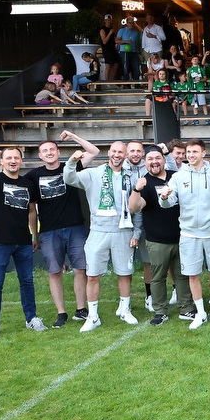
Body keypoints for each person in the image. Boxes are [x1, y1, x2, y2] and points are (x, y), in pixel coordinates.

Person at [23, 132, 98, 328]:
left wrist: (73, 136)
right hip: (49, 231)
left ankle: (81, 310)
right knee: (54, 272)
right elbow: (31, 209)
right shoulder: (33, 176)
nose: (49, 153)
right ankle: (61, 312)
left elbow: (94, 151)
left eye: (52, 149)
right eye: (45, 151)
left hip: (75, 228)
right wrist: (34, 234)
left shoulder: (70, 167)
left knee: (80, 269)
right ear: (40, 155)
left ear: (58, 152)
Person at [64, 141, 141, 332]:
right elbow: (69, 178)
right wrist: (72, 161)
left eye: (120, 152)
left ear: (125, 155)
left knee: (125, 273)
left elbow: (138, 208)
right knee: (92, 276)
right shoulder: (94, 173)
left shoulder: (131, 176)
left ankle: (125, 309)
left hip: (123, 231)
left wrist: (136, 232)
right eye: (114, 151)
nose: (116, 155)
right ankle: (93, 316)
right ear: (109, 153)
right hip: (98, 232)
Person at [0, 147, 48, 342]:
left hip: (23, 241)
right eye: (8, 158)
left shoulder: (27, 184)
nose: (13, 161)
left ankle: (31, 318)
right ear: (3, 161)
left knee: (27, 281)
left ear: (21, 161)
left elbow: (32, 211)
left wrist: (34, 235)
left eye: (16, 157)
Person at [158, 138, 210, 330]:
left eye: (195, 152)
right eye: (188, 152)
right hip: (188, 234)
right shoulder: (179, 176)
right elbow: (169, 201)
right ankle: (201, 313)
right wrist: (164, 197)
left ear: (203, 153)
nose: (190, 155)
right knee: (192, 275)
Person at [128, 146, 193, 325]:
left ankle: (186, 308)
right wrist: (136, 189)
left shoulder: (176, 176)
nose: (154, 162)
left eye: (157, 158)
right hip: (157, 240)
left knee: (182, 275)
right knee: (158, 277)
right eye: (150, 159)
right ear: (145, 162)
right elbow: (134, 207)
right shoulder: (144, 182)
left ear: (164, 160)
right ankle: (160, 310)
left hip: (182, 236)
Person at [99, 14, 121, 81]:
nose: (109, 21)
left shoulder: (111, 29)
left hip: (113, 49)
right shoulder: (102, 30)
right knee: (108, 66)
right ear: (105, 21)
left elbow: (114, 40)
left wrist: (124, 41)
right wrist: (109, 33)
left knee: (115, 64)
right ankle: (107, 81)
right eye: (107, 20)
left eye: (110, 20)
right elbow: (104, 41)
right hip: (107, 50)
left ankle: (111, 80)